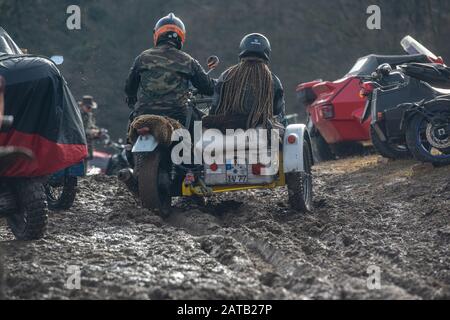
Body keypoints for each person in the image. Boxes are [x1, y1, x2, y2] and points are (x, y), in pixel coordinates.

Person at [125, 13, 215, 128]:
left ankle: (129, 145)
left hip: (144, 114)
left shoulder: (142, 57)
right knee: (202, 126)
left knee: (132, 124)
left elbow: (129, 88)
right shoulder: (187, 60)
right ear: (181, 36)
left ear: (157, 34)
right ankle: (195, 147)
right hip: (177, 115)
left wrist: (132, 99)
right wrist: (220, 83)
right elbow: (207, 87)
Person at [210, 33, 287, 131]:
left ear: (242, 50)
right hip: (262, 131)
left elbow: (215, 108)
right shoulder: (273, 80)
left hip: (228, 130)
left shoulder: (226, 76)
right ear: (267, 52)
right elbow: (278, 112)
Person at [78, 95, 101, 160]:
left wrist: (98, 132)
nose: (90, 109)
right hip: (80, 146)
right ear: (82, 106)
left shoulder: (90, 116)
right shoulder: (78, 115)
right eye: (88, 107)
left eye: (91, 107)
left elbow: (92, 126)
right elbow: (79, 129)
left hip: (88, 145)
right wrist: (91, 132)